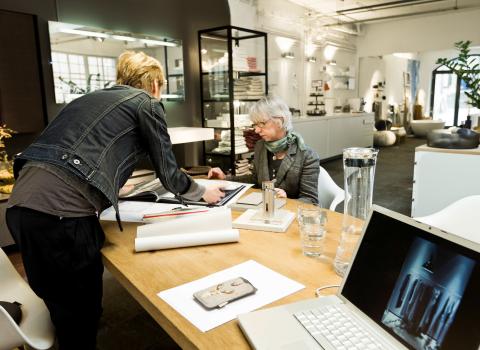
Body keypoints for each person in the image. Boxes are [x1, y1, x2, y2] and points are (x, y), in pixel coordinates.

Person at [5, 51, 224, 349]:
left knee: (59, 304)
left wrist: (105, 188)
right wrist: (202, 192)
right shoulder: (145, 102)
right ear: (155, 84)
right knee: (81, 314)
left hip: (21, 208)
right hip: (61, 218)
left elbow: (76, 152)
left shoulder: (87, 100)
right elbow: (169, 171)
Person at [208, 96, 320, 203]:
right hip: (265, 212)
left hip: (290, 216)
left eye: (262, 123)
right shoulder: (261, 146)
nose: (256, 130)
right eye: (255, 124)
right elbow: (255, 180)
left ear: (280, 121)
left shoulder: (307, 156)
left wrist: (288, 201)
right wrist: (225, 178)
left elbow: (311, 200)